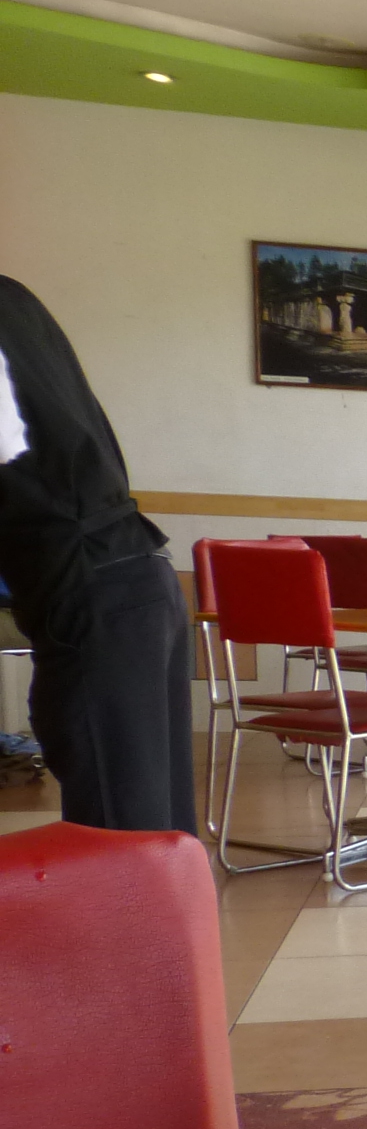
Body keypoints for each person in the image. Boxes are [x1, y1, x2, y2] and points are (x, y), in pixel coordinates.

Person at [0, 275, 195, 833]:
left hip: (93, 588)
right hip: (135, 575)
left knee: (121, 826)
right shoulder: (13, 299)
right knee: (154, 823)